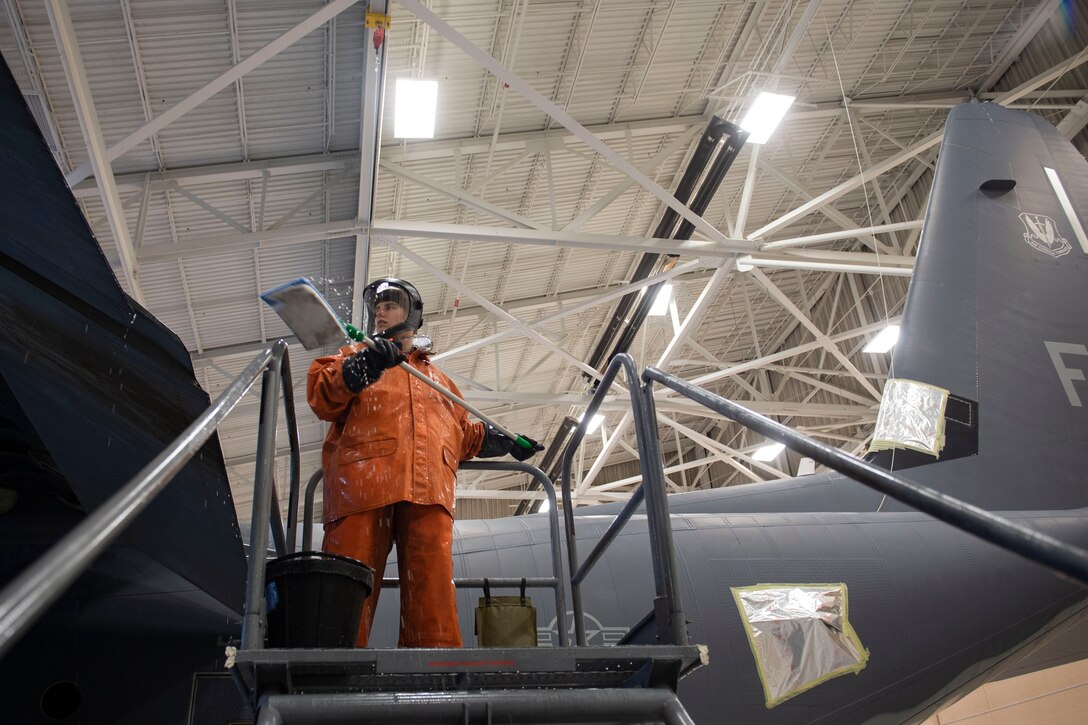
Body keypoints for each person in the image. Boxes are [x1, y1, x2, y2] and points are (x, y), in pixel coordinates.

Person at [306, 277, 542, 648]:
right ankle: (334, 671)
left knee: (432, 588)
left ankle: (436, 671)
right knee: (348, 585)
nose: (381, 311)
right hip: (362, 488)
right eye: (377, 306)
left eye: (391, 304)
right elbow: (322, 396)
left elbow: (463, 435)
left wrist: (505, 442)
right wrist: (361, 368)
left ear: (412, 314)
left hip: (429, 492)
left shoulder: (440, 383)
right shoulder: (353, 357)